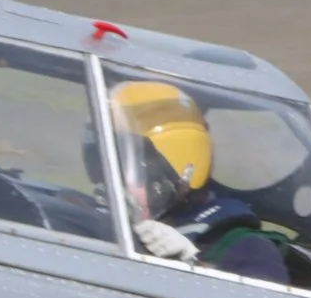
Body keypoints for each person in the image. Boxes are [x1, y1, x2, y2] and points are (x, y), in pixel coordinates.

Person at [111, 81, 289, 283]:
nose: (116, 190)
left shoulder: (248, 249)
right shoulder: (99, 223)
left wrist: (192, 263)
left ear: (168, 181)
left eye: (131, 178)